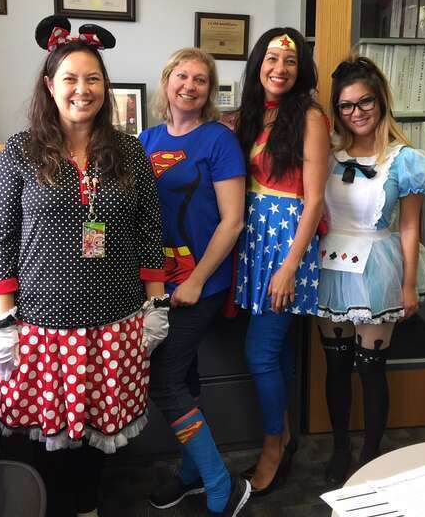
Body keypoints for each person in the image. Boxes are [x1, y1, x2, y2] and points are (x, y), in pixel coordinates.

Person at [0, 15, 167, 517]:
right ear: (49, 85)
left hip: (114, 323)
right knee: (46, 438)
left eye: (93, 79)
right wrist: (3, 320)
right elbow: (0, 235)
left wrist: (155, 304)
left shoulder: (130, 152)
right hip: (40, 325)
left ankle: (85, 509)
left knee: (92, 436)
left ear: (105, 87)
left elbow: (150, 231)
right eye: (70, 79)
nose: (82, 90)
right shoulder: (21, 150)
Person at [317, 56, 425, 484]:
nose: (356, 112)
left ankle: (370, 453)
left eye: (364, 101)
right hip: (330, 267)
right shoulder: (328, 154)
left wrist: (408, 284)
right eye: (346, 106)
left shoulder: (404, 159)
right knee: (335, 368)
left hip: (378, 269)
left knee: (371, 368)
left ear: (381, 100)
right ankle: (338, 447)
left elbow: (409, 226)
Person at [139, 48, 250, 516]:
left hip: (199, 283)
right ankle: (189, 474)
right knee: (181, 375)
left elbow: (232, 221)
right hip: (154, 285)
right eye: (181, 76)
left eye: (200, 79)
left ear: (209, 90)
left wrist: (196, 281)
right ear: (166, 82)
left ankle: (220, 482)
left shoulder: (219, 141)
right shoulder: (143, 139)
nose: (189, 85)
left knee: (164, 382)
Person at [234, 28, 330, 495]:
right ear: (258, 64)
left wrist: (290, 265)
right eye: (271, 58)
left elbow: (314, 201)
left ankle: (274, 445)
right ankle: (287, 435)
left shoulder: (310, 116)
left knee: (260, 352)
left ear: (301, 69)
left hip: (286, 244)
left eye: (290, 62)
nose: (280, 69)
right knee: (279, 353)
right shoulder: (253, 114)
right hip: (255, 239)